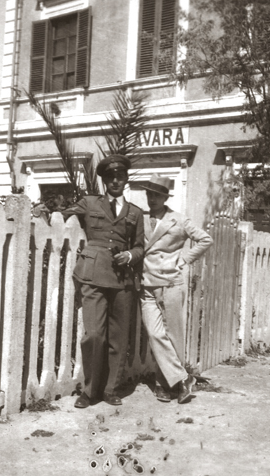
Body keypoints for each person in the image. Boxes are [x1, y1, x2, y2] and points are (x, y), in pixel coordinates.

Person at [61, 155, 144, 407]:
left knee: (119, 337)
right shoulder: (89, 203)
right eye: (110, 177)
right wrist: (46, 210)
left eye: (120, 176)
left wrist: (130, 255)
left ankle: (110, 390)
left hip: (122, 280)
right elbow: (63, 212)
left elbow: (140, 247)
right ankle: (90, 391)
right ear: (104, 180)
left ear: (126, 179)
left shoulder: (135, 212)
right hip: (94, 274)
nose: (116, 181)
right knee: (94, 335)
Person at [140, 174, 213, 404]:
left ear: (165, 197)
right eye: (149, 194)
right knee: (154, 333)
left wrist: (184, 259)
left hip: (171, 282)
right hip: (147, 284)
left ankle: (165, 384)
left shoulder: (179, 220)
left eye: (157, 195)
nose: (152, 199)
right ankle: (183, 379)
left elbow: (205, 239)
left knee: (173, 336)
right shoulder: (139, 219)